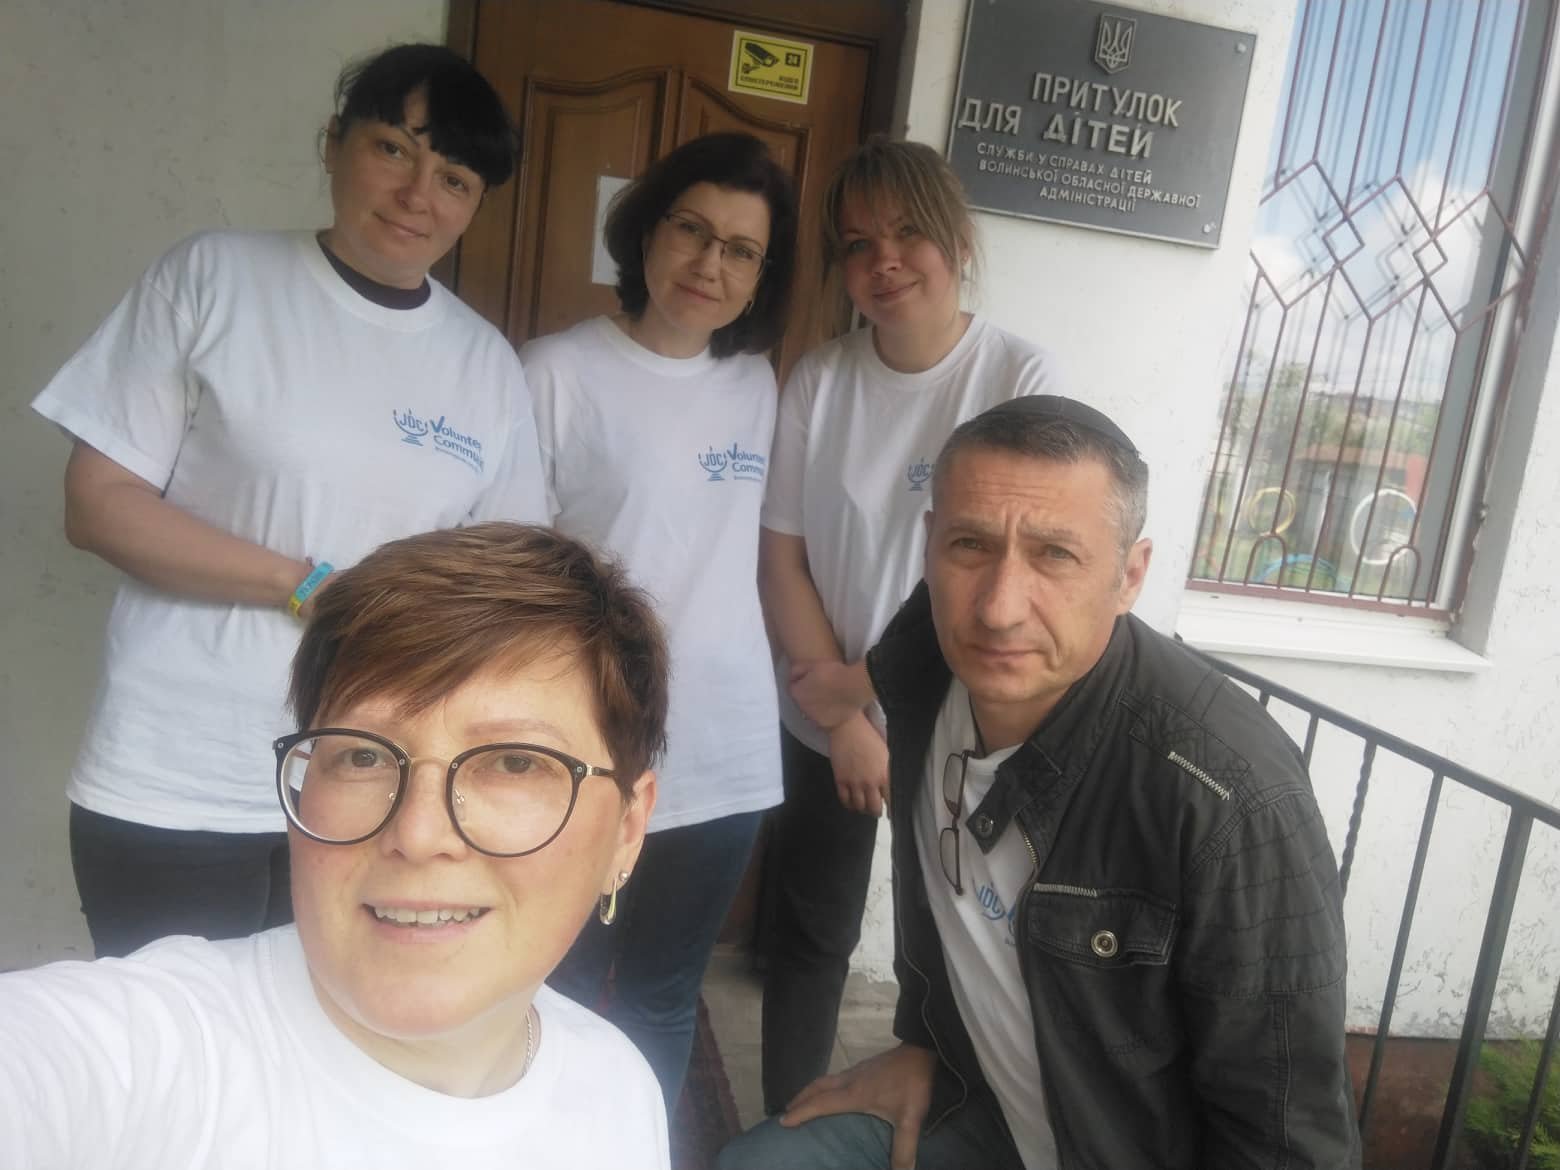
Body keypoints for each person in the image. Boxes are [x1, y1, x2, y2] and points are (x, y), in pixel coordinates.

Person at [721, 396, 1361, 1170]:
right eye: (970, 545)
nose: (998, 609)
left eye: (1055, 554)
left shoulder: (1230, 798)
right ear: (930, 545)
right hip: (986, 1109)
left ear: (1130, 576)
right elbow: (941, 889)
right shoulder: (926, 650)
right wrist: (925, 1041)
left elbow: (1289, 1138)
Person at [31, 44, 548, 958]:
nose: (417, 193)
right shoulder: (214, 278)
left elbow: (501, 584)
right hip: (179, 766)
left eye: (455, 179)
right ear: (334, 144)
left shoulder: (485, 366)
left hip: (377, 786)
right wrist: (305, 585)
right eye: (392, 149)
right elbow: (99, 503)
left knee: (329, 1031)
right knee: (177, 1038)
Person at [0, 523, 670, 1168]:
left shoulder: (618, 1088)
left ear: (626, 830)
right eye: (362, 756)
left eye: (515, 762)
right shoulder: (149, 1053)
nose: (417, 834)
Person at [757, 137, 1062, 1112]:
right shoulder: (820, 380)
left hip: (963, 722)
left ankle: (944, 1124)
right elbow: (782, 558)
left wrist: (870, 685)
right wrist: (843, 715)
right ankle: (793, 1128)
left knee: (962, 946)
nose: (883, 261)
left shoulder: (1015, 373)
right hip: (824, 716)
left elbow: (1005, 566)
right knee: (812, 936)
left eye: (906, 233)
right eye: (857, 244)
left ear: (955, 240)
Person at [523, 132, 798, 1112]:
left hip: (724, 744)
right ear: (647, 231)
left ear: (761, 276)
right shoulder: (557, 371)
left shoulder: (757, 386)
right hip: (591, 733)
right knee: (551, 985)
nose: (709, 264)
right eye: (691, 230)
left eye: (741, 250)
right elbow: (517, 565)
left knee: (662, 994)